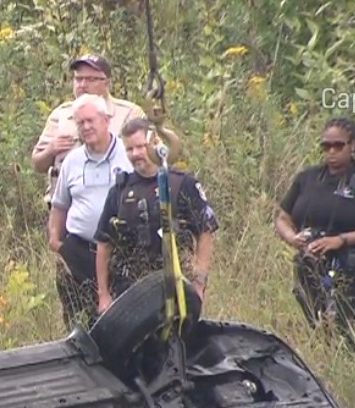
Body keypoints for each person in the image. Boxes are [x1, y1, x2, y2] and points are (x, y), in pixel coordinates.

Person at [274, 117, 355, 347]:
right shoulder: (307, 178)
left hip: (351, 269)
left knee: (347, 335)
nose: (331, 151)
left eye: (338, 145)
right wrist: (292, 237)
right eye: (326, 146)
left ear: (353, 146)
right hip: (310, 267)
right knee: (317, 331)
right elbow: (282, 218)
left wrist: (340, 240)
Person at [95, 117, 218, 313]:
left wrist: (199, 284)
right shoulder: (120, 190)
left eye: (140, 147)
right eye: (129, 149)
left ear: (154, 144)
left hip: (177, 288)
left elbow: (206, 232)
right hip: (130, 292)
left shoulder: (182, 185)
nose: (135, 154)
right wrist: (103, 295)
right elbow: (104, 243)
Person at [47, 95, 132, 329]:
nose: (85, 127)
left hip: (120, 255)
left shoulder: (129, 156)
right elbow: (60, 205)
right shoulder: (72, 161)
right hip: (78, 251)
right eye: (80, 122)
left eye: (90, 121)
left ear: (106, 120)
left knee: (119, 322)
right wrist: (56, 242)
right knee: (77, 322)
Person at [30, 55, 144, 201]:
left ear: (106, 83)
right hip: (66, 206)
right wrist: (50, 150)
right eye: (78, 79)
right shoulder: (61, 115)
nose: (82, 85)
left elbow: (151, 157)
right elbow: (38, 164)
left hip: (117, 203)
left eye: (90, 79)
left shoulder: (129, 113)